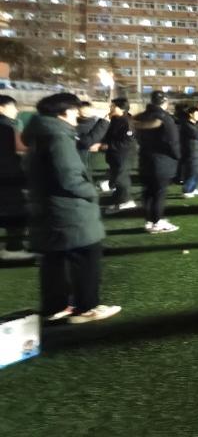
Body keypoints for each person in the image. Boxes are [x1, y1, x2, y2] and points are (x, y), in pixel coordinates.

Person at [23, 92, 121, 323]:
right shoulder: (58, 136)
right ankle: (87, 307)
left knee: (53, 260)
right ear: (64, 112)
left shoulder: (39, 134)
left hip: (49, 208)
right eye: (75, 111)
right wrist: (90, 192)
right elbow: (68, 177)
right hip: (69, 210)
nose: (77, 115)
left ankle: (55, 307)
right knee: (86, 257)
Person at [133, 91, 180, 234]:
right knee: (159, 193)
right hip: (162, 161)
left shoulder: (140, 117)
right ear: (165, 102)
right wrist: (178, 156)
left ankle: (149, 220)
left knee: (148, 191)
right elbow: (172, 142)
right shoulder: (165, 118)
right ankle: (157, 221)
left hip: (144, 159)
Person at [0, 95, 34, 261]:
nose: (16, 110)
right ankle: (13, 248)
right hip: (8, 177)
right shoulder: (6, 126)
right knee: (16, 211)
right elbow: (20, 146)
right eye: (12, 106)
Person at [101, 98, 137, 213]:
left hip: (124, 155)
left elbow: (127, 142)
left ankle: (126, 201)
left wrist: (108, 146)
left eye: (113, 106)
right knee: (116, 178)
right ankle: (118, 200)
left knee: (121, 179)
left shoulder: (127, 122)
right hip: (115, 155)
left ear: (121, 108)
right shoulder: (115, 119)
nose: (110, 108)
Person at [76, 101, 110, 179]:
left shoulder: (101, 123)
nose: (86, 112)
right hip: (82, 167)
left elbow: (116, 142)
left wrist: (102, 146)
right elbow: (84, 142)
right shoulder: (73, 125)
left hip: (101, 166)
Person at [179, 107, 198, 198]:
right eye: (197, 114)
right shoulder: (186, 125)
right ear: (190, 114)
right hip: (191, 152)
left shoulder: (196, 125)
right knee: (191, 171)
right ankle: (187, 191)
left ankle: (194, 188)